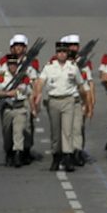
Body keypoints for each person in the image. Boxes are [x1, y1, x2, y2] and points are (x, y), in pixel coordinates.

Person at [37, 35, 94, 172]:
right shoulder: (49, 67)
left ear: (67, 54)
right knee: (56, 132)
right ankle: (56, 157)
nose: (61, 54)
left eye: (64, 52)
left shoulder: (73, 68)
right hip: (54, 101)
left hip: (69, 100)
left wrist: (86, 102)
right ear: (56, 54)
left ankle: (68, 158)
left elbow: (81, 86)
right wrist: (38, 94)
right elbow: (40, 82)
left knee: (68, 131)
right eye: (59, 52)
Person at [0, 34, 38, 166]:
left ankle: (24, 151)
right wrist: (6, 93)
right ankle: (10, 151)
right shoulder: (4, 61)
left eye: (21, 46)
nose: (18, 48)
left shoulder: (31, 62)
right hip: (8, 101)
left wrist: (35, 102)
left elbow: (34, 82)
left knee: (26, 127)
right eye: (16, 46)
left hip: (24, 98)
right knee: (8, 130)